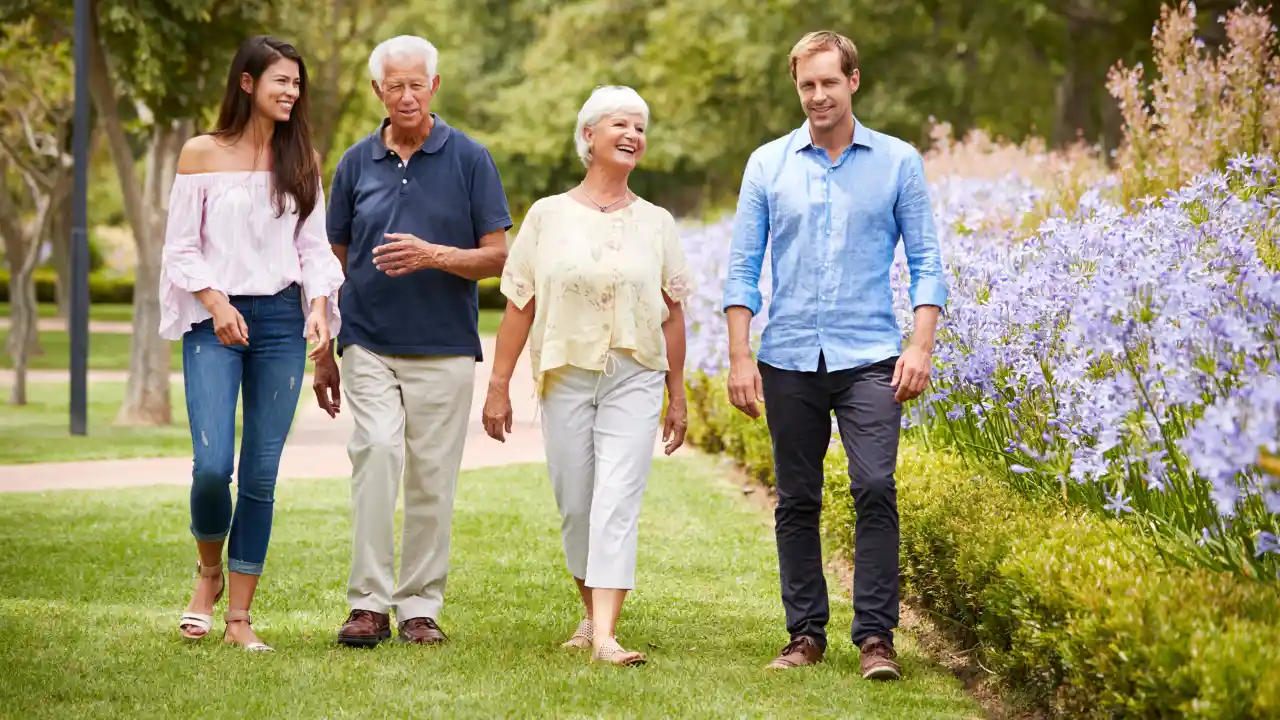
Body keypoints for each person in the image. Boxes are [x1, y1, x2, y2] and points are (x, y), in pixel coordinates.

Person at [721, 31, 948, 679]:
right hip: (788, 357)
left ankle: (876, 638)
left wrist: (921, 344)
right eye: (806, 85)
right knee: (797, 497)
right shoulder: (767, 164)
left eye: (828, 82)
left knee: (875, 485)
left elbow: (927, 262)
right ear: (798, 89)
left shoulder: (898, 162)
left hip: (872, 355)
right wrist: (741, 355)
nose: (817, 96)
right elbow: (742, 270)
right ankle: (805, 634)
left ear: (853, 81)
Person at [481, 85, 694, 667]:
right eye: (620, 125)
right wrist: (498, 385)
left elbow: (674, 311)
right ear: (588, 137)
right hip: (565, 376)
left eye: (640, 129)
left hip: (636, 374)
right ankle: (590, 611)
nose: (633, 136)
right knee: (576, 503)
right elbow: (519, 304)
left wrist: (677, 395)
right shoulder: (547, 216)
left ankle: (605, 635)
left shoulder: (656, 222)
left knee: (617, 500)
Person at [314, 35, 512, 647]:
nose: (406, 95)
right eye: (393, 85)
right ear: (378, 91)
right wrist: (324, 347)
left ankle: (420, 606)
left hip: (446, 345)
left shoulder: (470, 159)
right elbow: (330, 263)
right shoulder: (354, 163)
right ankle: (368, 605)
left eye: (416, 84)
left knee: (432, 475)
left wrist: (434, 255)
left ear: (434, 87)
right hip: (368, 340)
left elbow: (499, 258)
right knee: (374, 452)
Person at [161, 35, 344, 652]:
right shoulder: (201, 154)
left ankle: (239, 618)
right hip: (212, 320)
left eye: (298, 83)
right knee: (214, 468)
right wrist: (215, 304)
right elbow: (181, 247)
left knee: (261, 475)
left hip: (278, 326)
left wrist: (318, 308)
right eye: (281, 81)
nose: (292, 92)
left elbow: (312, 249)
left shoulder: (303, 159)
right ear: (247, 83)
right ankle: (207, 574)